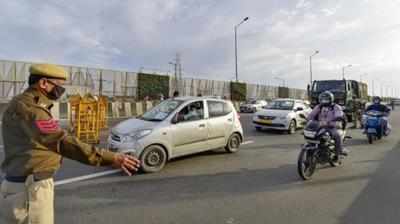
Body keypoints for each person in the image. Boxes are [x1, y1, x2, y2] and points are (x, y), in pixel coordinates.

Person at [0, 64, 141, 224]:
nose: (61, 91)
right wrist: (111, 157)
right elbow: (60, 141)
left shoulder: (23, 102)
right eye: (58, 85)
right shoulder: (32, 109)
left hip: (22, 186)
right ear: (43, 83)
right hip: (30, 190)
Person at [307, 91, 348, 160]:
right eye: (323, 99)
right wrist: (307, 119)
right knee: (312, 136)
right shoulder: (319, 107)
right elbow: (312, 115)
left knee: (337, 136)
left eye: (326, 99)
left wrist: (337, 118)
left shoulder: (336, 107)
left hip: (332, 126)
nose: (324, 101)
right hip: (319, 126)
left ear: (331, 99)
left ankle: (338, 152)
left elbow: (339, 114)